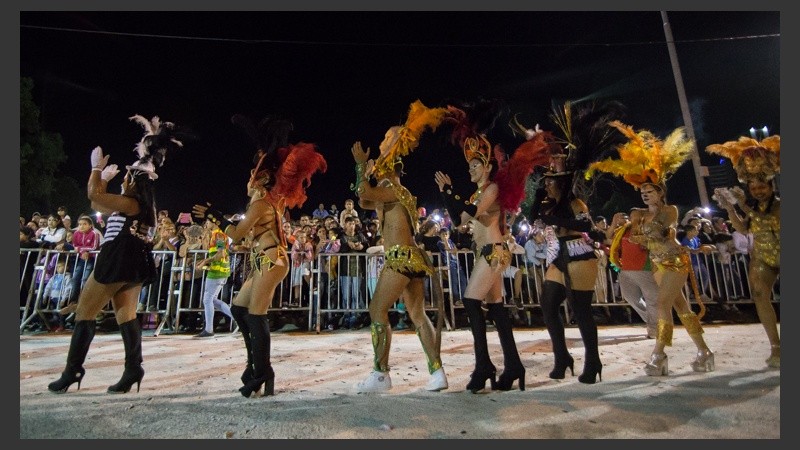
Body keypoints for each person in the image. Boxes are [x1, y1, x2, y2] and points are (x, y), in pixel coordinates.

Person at [47, 114, 188, 394]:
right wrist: (103, 181)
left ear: (134, 180)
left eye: (126, 176)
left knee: (85, 313)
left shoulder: (130, 202)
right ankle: (133, 368)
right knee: (126, 314)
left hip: (118, 256)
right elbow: (99, 202)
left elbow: (93, 197)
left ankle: (73, 370)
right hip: (133, 259)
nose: (123, 178)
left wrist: (96, 170)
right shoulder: (138, 205)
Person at [194, 114, 326, 397]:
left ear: (261, 178)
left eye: (253, 174)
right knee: (239, 310)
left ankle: (262, 372)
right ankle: (254, 365)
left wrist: (215, 217)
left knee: (256, 315)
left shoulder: (261, 204)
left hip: (272, 261)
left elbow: (235, 234)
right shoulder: (267, 201)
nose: (250, 178)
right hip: (264, 260)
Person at [587, 120, 715, 376]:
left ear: (660, 192)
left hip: (675, 262)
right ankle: (704, 351)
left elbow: (662, 229)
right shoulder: (638, 213)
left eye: (650, 191)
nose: (645, 194)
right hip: (656, 264)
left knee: (662, 304)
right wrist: (636, 230)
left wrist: (646, 231)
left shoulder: (670, 210)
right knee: (682, 308)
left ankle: (659, 355)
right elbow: (637, 236)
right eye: (642, 191)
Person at [435, 98, 536, 392]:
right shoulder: (480, 191)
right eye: (469, 164)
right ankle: (514, 366)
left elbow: (467, 213)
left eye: (475, 164)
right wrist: (447, 193)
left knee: (470, 301)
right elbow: (459, 221)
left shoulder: (490, 189)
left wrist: (449, 191)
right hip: (490, 253)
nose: (471, 169)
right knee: (497, 310)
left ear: (488, 166)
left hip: (493, 253)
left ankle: (484, 366)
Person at [351, 99, 449, 393]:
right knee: (418, 315)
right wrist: (366, 175)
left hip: (399, 258)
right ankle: (437, 372)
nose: (381, 141)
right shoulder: (393, 190)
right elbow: (364, 200)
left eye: (386, 138)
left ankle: (380, 374)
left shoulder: (392, 188)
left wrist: (360, 166)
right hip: (412, 258)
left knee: (376, 309)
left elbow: (364, 191)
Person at [706, 134, 780, 368]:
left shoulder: (779, 205)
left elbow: (765, 219)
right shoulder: (753, 207)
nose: (758, 190)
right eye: (754, 187)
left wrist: (742, 205)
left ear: (771, 186)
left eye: (762, 186)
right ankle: (776, 347)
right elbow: (743, 228)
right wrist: (729, 208)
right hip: (763, 257)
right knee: (759, 294)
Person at [606, 211, 659, 338]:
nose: (632, 219)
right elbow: (609, 236)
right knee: (630, 297)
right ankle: (653, 320)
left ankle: (654, 328)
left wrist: (642, 241)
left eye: (635, 216)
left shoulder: (647, 229)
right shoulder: (624, 229)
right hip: (625, 270)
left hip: (645, 269)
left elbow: (657, 244)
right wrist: (613, 223)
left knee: (652, 300)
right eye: (631, 216)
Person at [193, 219, 235, 338]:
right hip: (218, 272)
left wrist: (205, 261)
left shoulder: (219, 235)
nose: (206, 223)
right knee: (213, 300)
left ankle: (209, 330)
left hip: (218, 272)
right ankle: (238, 318)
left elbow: (220, 254)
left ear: (215, 222)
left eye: (208, 221)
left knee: (208, 300)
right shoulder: (215, 235)